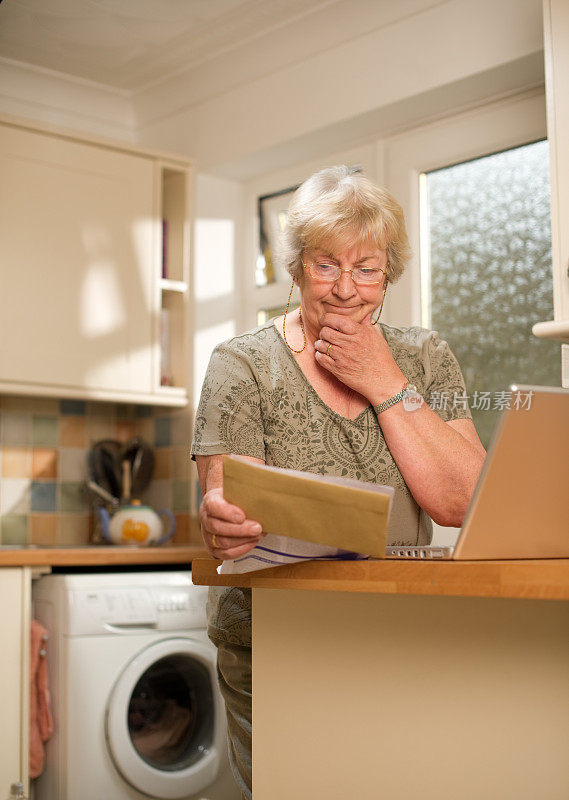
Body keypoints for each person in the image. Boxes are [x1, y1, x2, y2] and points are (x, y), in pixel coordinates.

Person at [191, 165, 486, 799]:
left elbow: (465, 503)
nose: (348, 289)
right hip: (276, 647)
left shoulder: (426, 357)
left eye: (368, 268)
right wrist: (221, 522)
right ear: (295, 269)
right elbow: (227, 509)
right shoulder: (240, 364)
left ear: (389, 274)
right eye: (326, 265)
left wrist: (384, 381)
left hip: (401, 639)